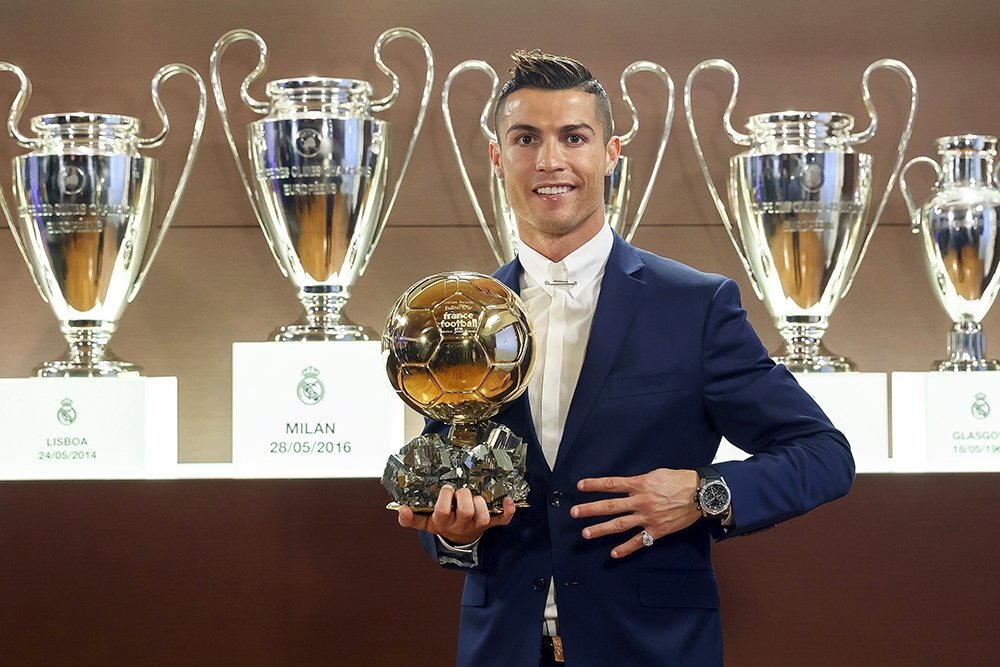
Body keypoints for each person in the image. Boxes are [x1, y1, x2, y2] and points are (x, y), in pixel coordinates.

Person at [396, 49, 855, 666]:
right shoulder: (457, 318)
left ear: (611, 154)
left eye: (574, 137)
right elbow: (446, 490)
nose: (550, 161)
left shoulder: (695, 306)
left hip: (652, 651)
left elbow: (824, 454)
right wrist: (455, 534)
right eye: (526, 138)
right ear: (497, 158)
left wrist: (704, 492)